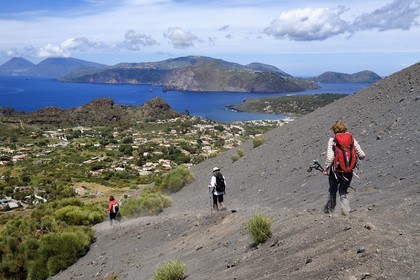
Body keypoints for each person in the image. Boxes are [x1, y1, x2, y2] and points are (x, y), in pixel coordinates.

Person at [322, 120, 365, 216]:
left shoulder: (332, 140)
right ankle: (345, 210)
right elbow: (362, 155)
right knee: (343, 191)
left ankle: (330, 210)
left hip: (336, 170)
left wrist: (325, 169)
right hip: (349, 170)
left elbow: (330, 157)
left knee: (332, 189)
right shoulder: (351, 138)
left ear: (334, 130)